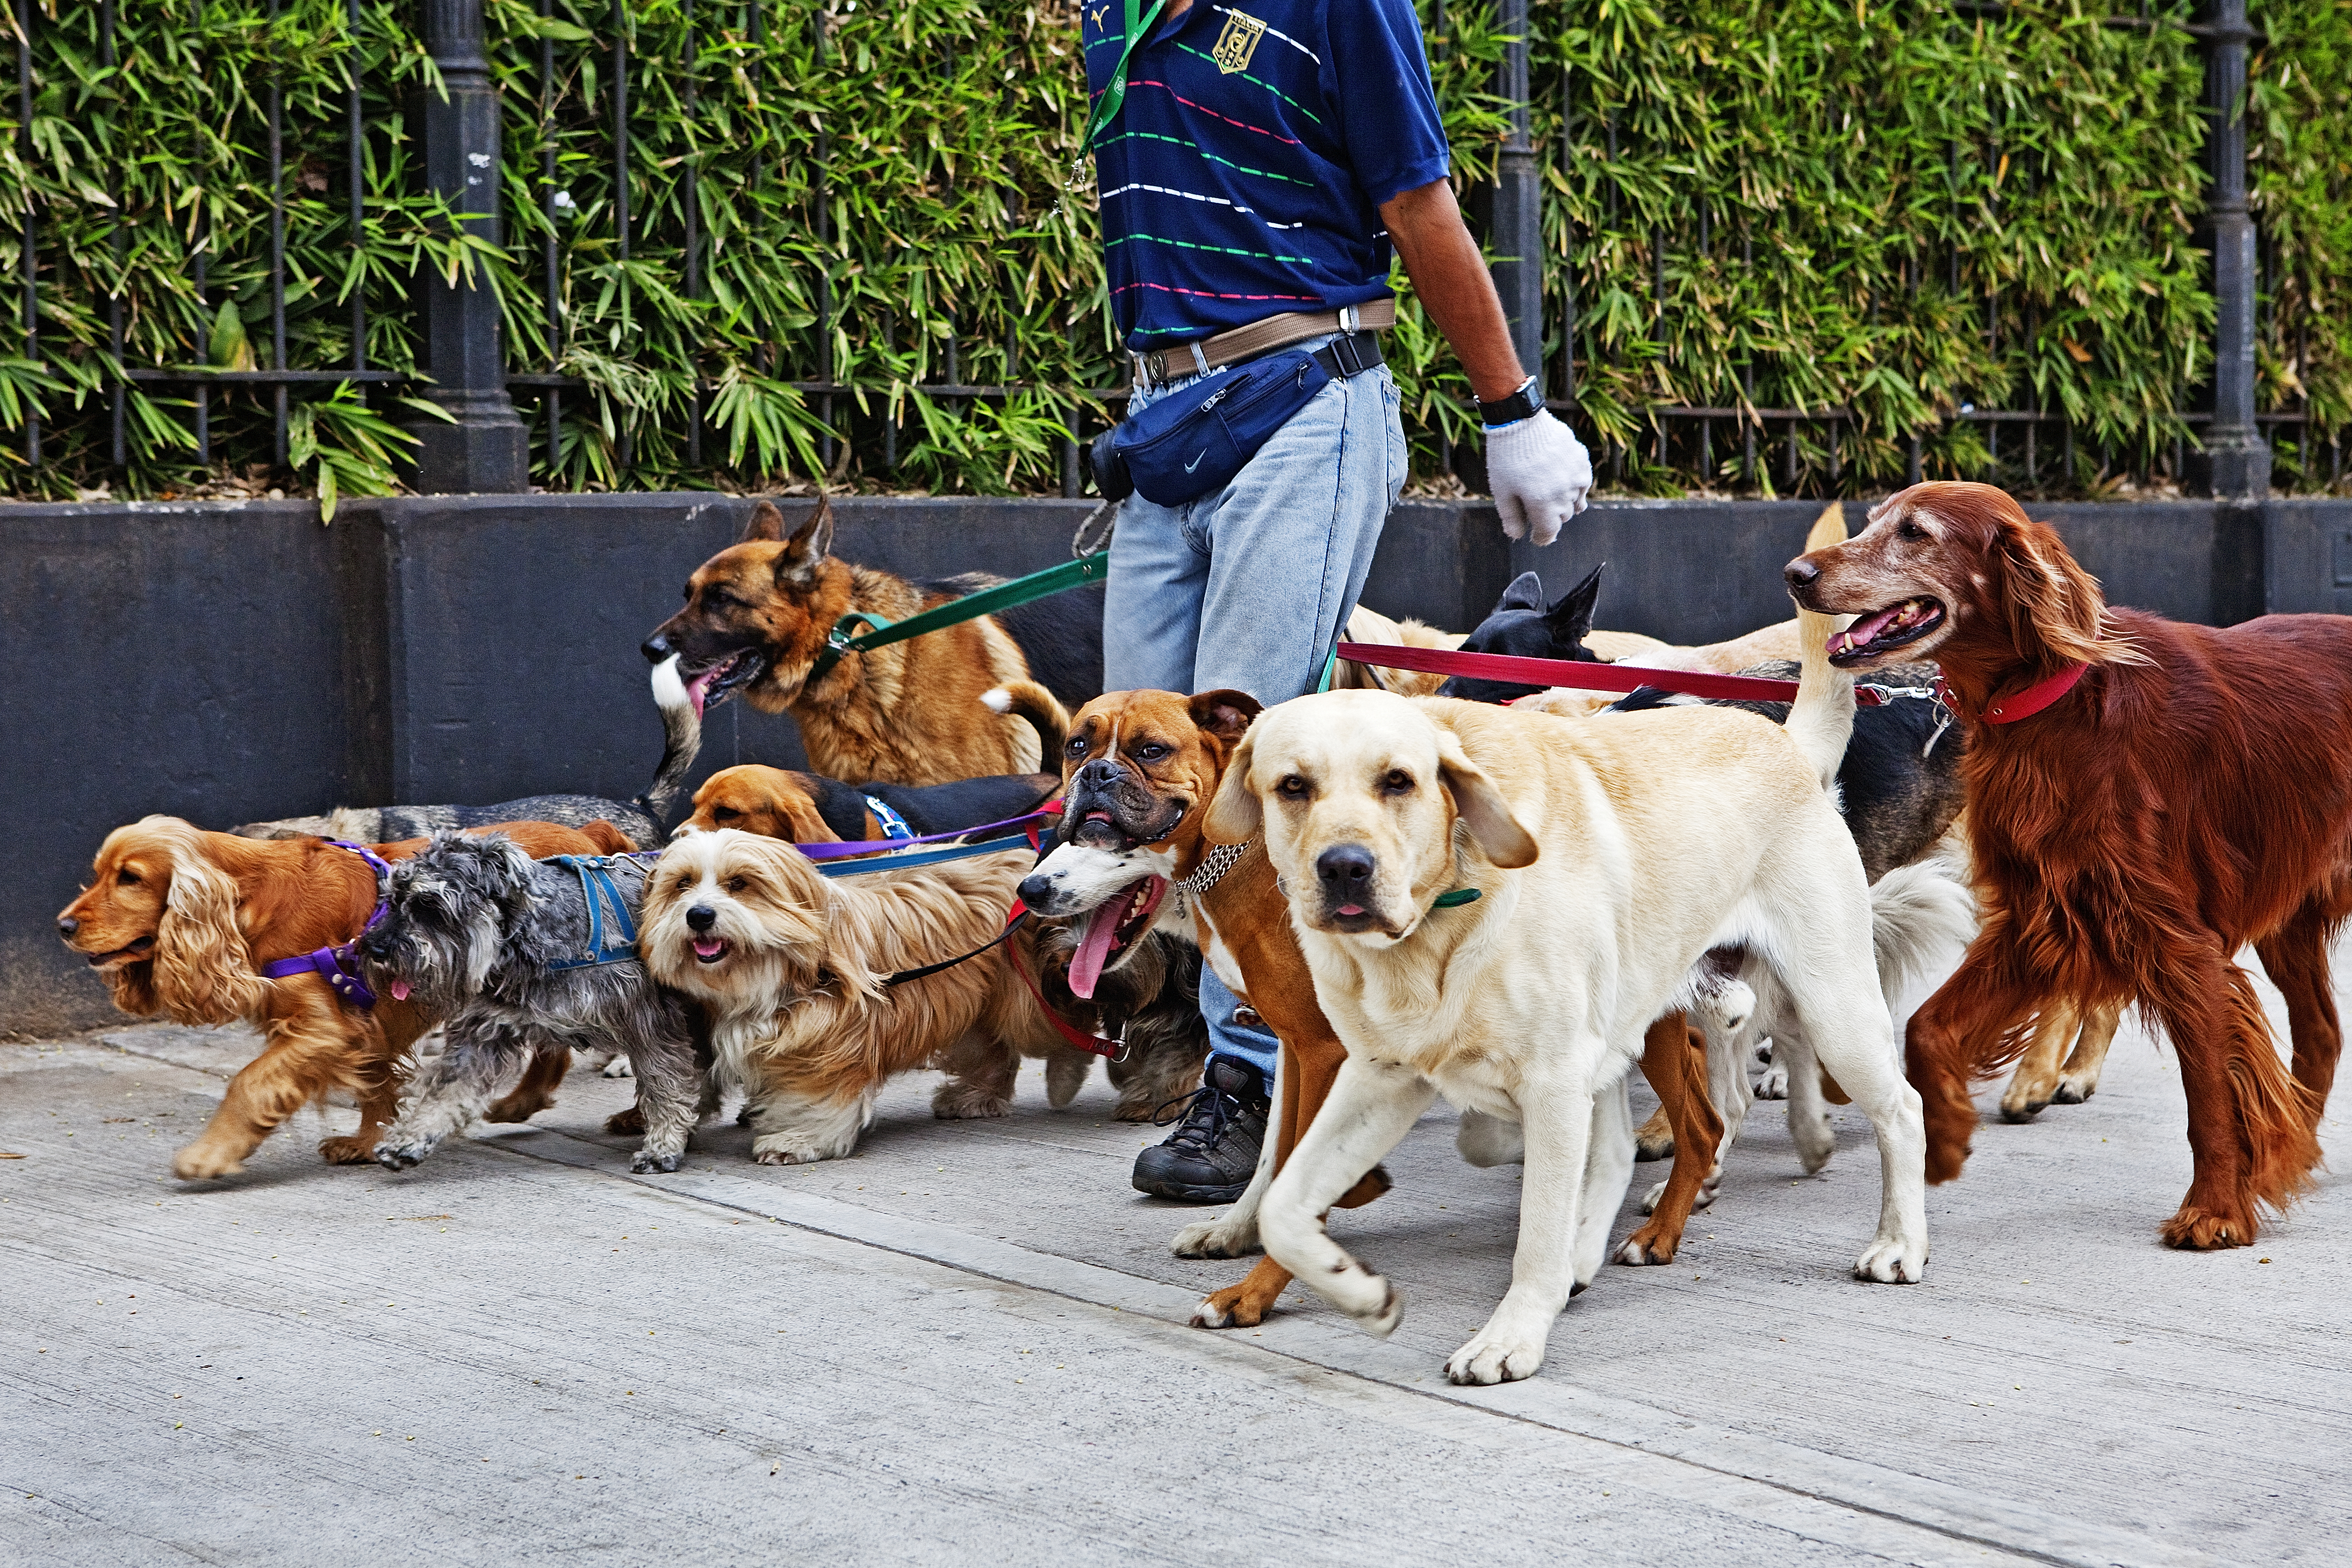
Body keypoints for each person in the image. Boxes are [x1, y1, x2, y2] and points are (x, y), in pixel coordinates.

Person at [1083, 0, 1594, 1200]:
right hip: (1168, 413)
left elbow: (1418, 203)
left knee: (1263, 756)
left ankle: (1261, 1077)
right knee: (1144, 766)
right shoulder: (1112, 11)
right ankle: (1288, 1047)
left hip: (1303, 388)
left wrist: (1509, 411)